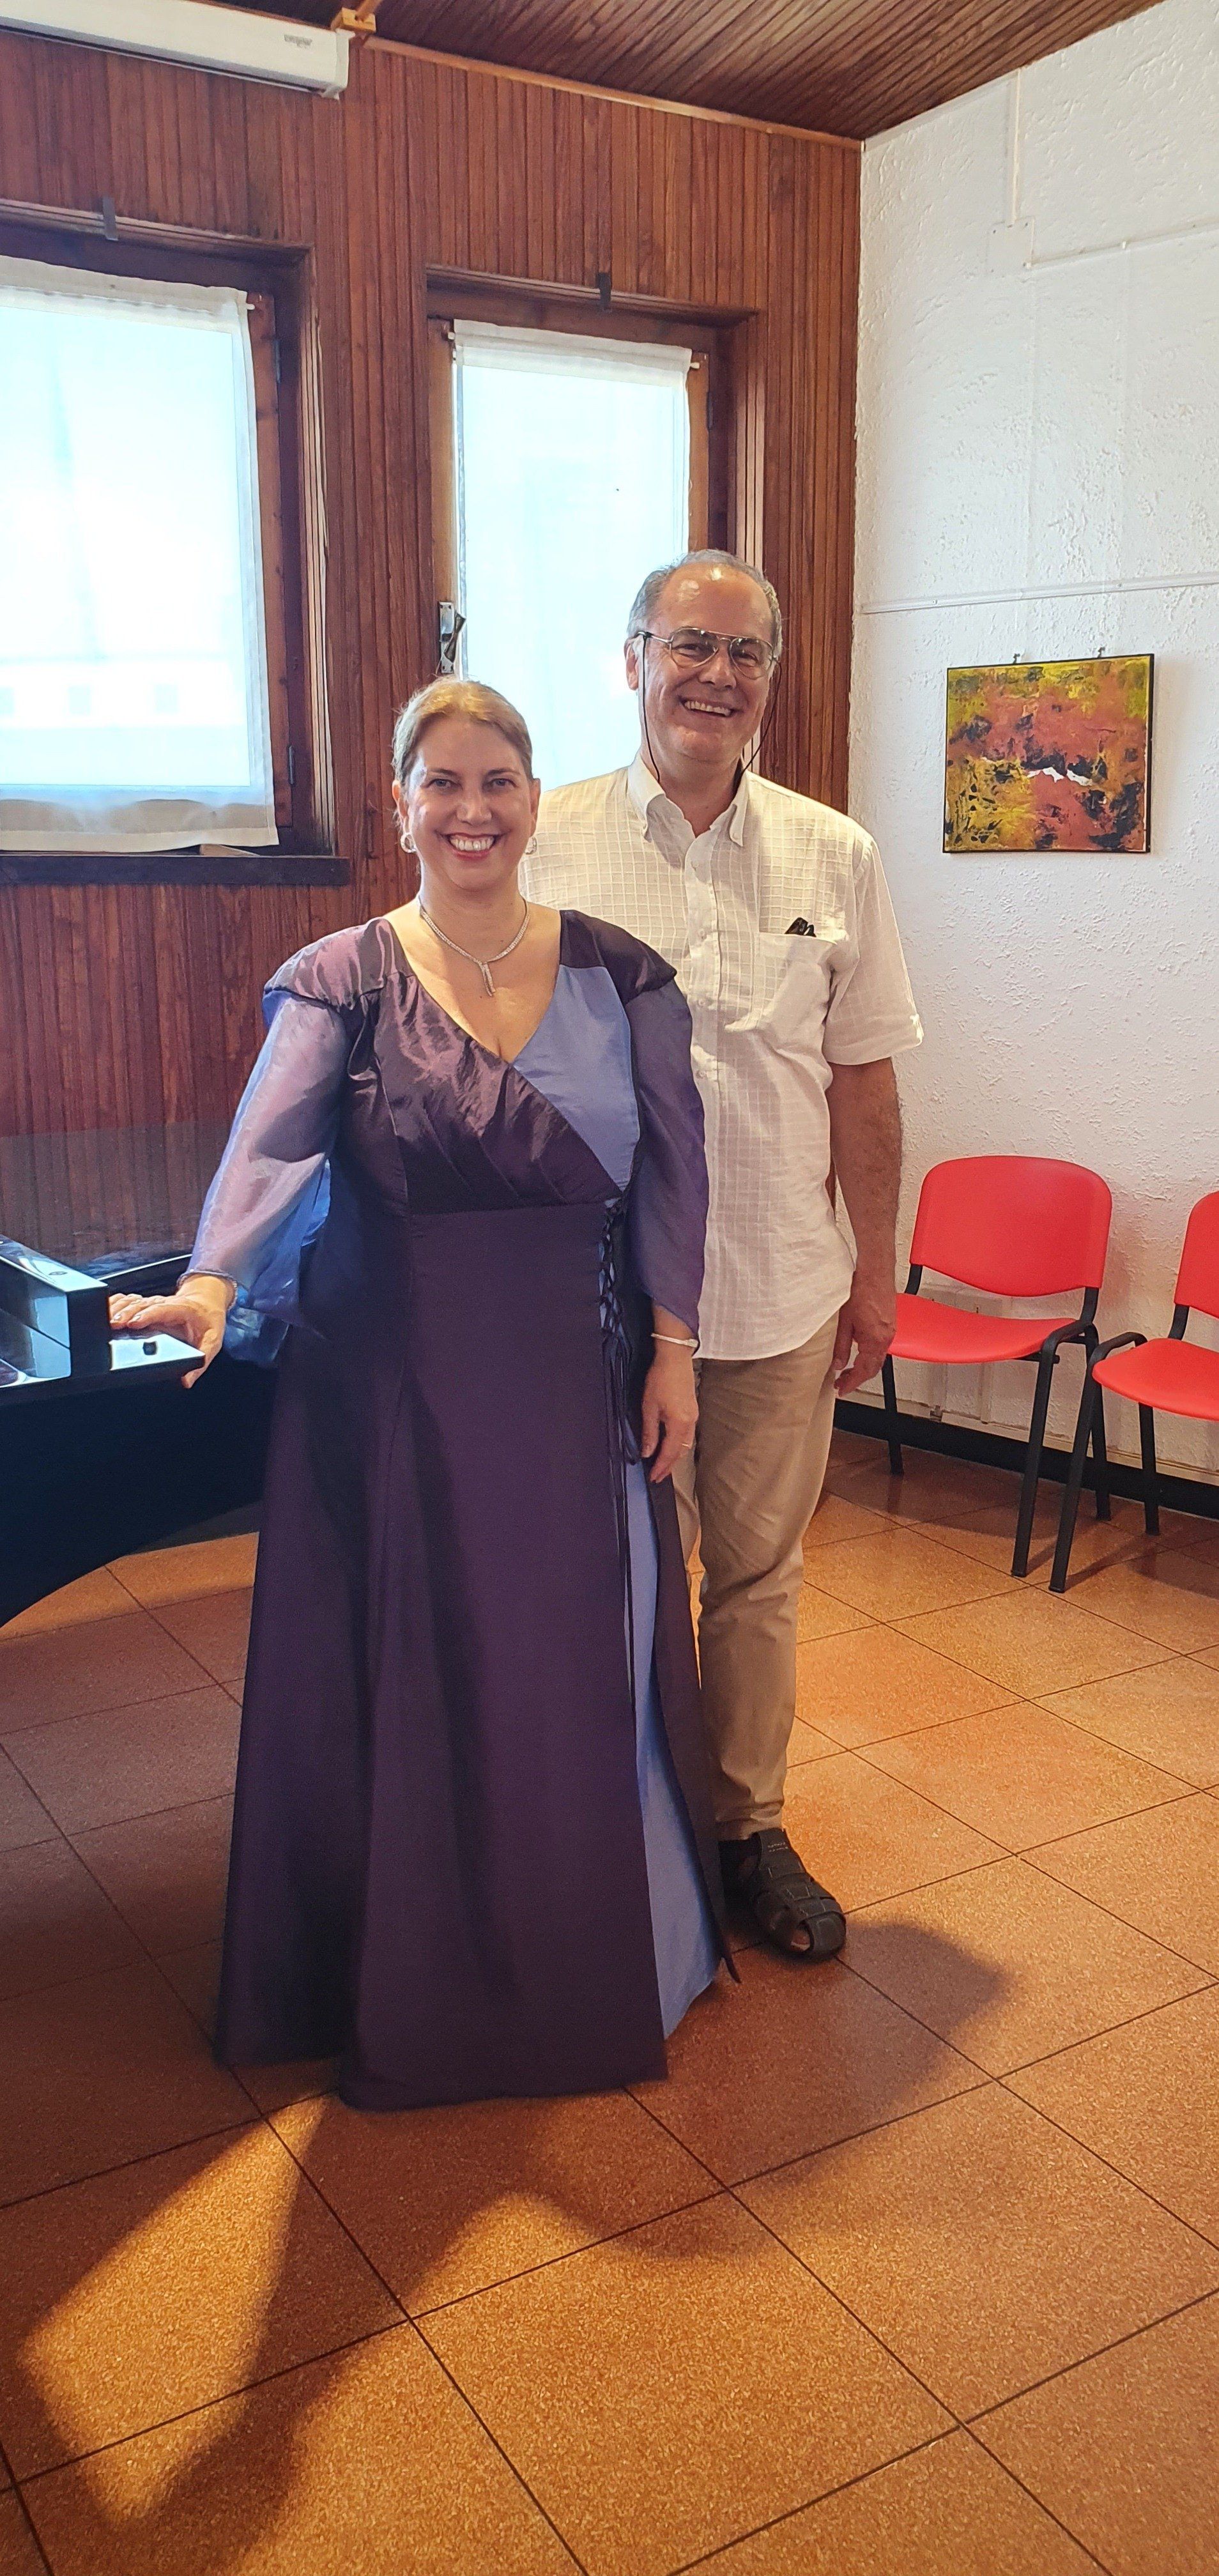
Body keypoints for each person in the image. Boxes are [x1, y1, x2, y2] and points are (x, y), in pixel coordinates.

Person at [110, 678, 726, 2111]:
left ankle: (602, 1963)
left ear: (534, 798)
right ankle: (403, 1972)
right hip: (393, 1396)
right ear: (400, 808)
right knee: (412, 1664)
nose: (472, 810)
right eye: (441, 784)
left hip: (577, 1381)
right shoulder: (341, 977)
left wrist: (676, 1348)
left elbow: (676, 1174)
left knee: (579, 1664)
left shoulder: (624, 976)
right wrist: (211, 1280)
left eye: (496, 781)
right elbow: (270, 1149)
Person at [524, 551, 923, 1961]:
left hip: (776, 1291)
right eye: (687, 643)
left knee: (757, 1581)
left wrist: (875, 1274)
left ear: (772, 678)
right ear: (632, 658)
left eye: (745, 652)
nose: (716, 674)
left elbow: (864, 1080)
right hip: (594, 1304)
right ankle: (615, 1829)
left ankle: (748, 1829)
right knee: (600, 1579)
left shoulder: (834, 853)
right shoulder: (543, 841)